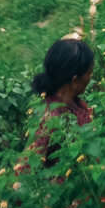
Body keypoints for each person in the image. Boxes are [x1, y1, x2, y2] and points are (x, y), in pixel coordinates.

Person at [24, 35, 95, 171]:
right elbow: (26, 166)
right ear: (75, 80)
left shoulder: (75, 102)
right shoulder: (51, 118)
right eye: (89, 73)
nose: (91, 77)